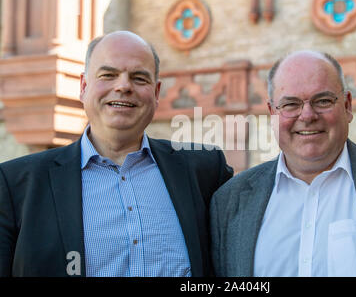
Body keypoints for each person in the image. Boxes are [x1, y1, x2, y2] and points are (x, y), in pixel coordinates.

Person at [0, 31, 233, 277]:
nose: (123, 86)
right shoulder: (16, 184)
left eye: (139, 78)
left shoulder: (204, 171)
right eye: (108, 75)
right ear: (84, 87)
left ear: (156, 92)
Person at [210, 50, 356, 277]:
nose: (307, 116)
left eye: (322, 101)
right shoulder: (230, 201)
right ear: (272, 112)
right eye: (291, 104)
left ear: (347, 106)